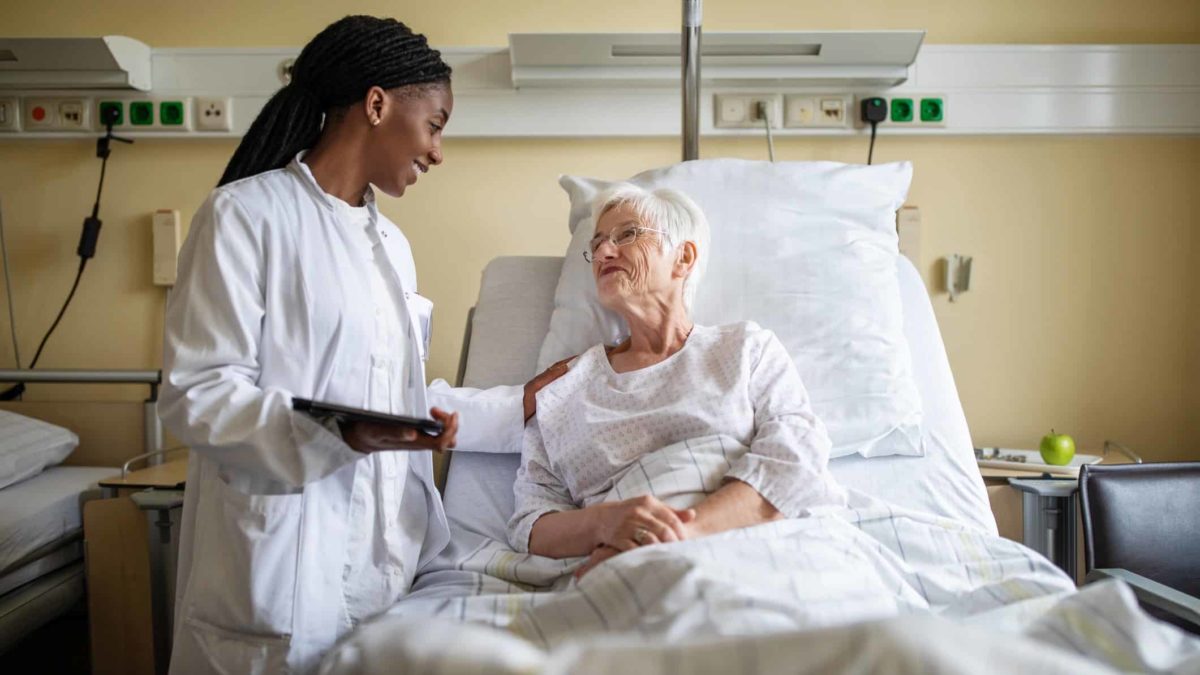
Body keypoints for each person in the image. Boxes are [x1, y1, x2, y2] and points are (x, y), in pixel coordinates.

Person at [159, 16, 562, 674]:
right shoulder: (242, 217)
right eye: (435, 124)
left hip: (385, 574)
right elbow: (197, 394)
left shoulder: (392, 249)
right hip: (278, 573)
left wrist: (512, 404)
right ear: (377, 105)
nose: (437, 152)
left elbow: (389, 393)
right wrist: (340, 433)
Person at [507, 183, 847, 578]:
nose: (602, 252)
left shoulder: (744, 350)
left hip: (748, 548)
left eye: (627, 234)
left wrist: (678, 534)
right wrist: (606, 524)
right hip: (621, 568)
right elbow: (531, 521)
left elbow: (796, 457)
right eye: (597, 243)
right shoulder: (565, 388)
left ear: (683, 257)